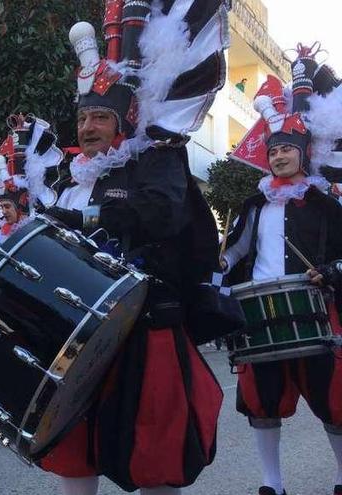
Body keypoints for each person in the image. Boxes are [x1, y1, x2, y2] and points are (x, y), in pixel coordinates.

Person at [35, 10, 229, 494]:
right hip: (80, 332)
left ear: (125, 120)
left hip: (147, 327)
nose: (88, 127)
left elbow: (162, 214)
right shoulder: (71, 177)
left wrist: (89, 218)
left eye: (100, 116)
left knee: (154, 454)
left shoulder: (158, 158)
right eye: (82, 117)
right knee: (74, 447)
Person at [222, 48, 342, 495]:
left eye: (288, 149)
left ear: (304, 154)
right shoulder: (253, 204)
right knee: (261, 400)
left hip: (318, 307)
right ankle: (272, 483)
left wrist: (330, 271)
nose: (279, 157)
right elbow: (235, 251)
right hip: (263, 308)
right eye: (274, 151)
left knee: (334, 400)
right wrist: (223, 263)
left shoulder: (327, 204)